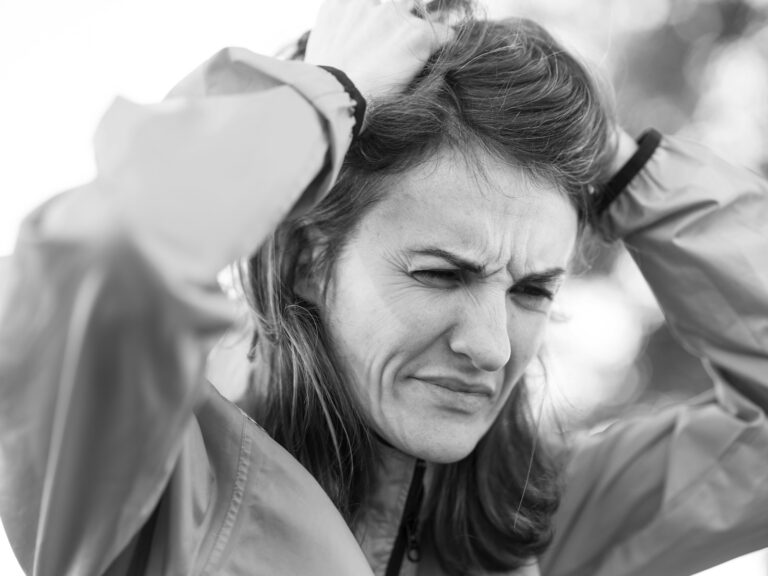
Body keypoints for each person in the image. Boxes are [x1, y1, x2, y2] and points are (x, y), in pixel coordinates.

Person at [1, 1, 767, 575]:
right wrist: (323, 95)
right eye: (440, 274)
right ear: (306, 258)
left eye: (532, 290)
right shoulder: (143, 484)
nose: (492, 347)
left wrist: (625, 166)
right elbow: (106, 256)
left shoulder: (539, 522)